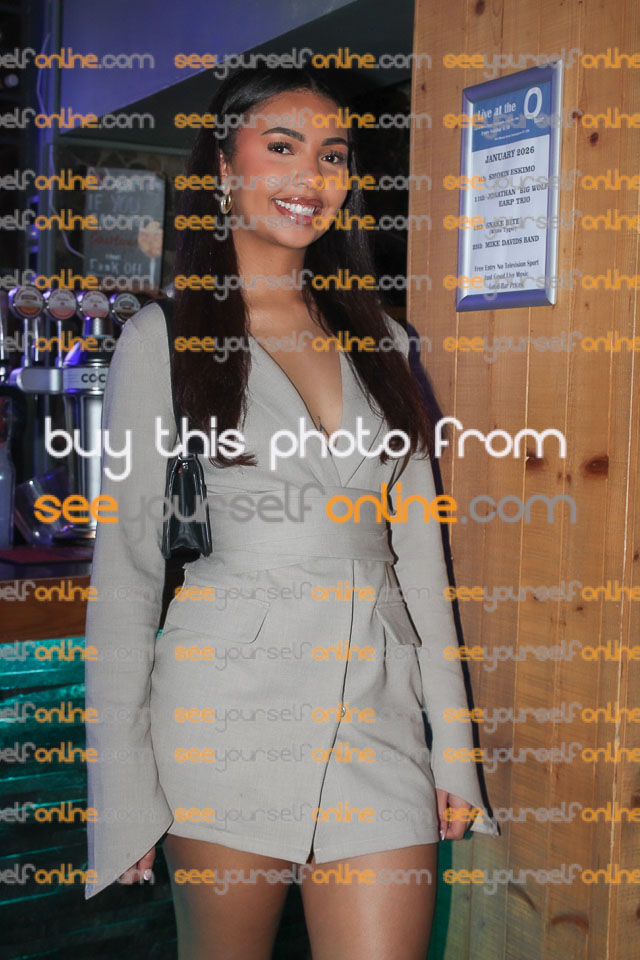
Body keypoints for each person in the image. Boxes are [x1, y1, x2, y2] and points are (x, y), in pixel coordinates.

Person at [84, 65, 498, 959]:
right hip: (220, 719)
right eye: (282, 147)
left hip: (377, 717)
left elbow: (421, 564)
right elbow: (126, 578)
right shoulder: (162, 339)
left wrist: (455, 751)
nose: (311, 174)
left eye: (333, 155)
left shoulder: (385, 341)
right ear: (223, 169)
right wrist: (120, 792)